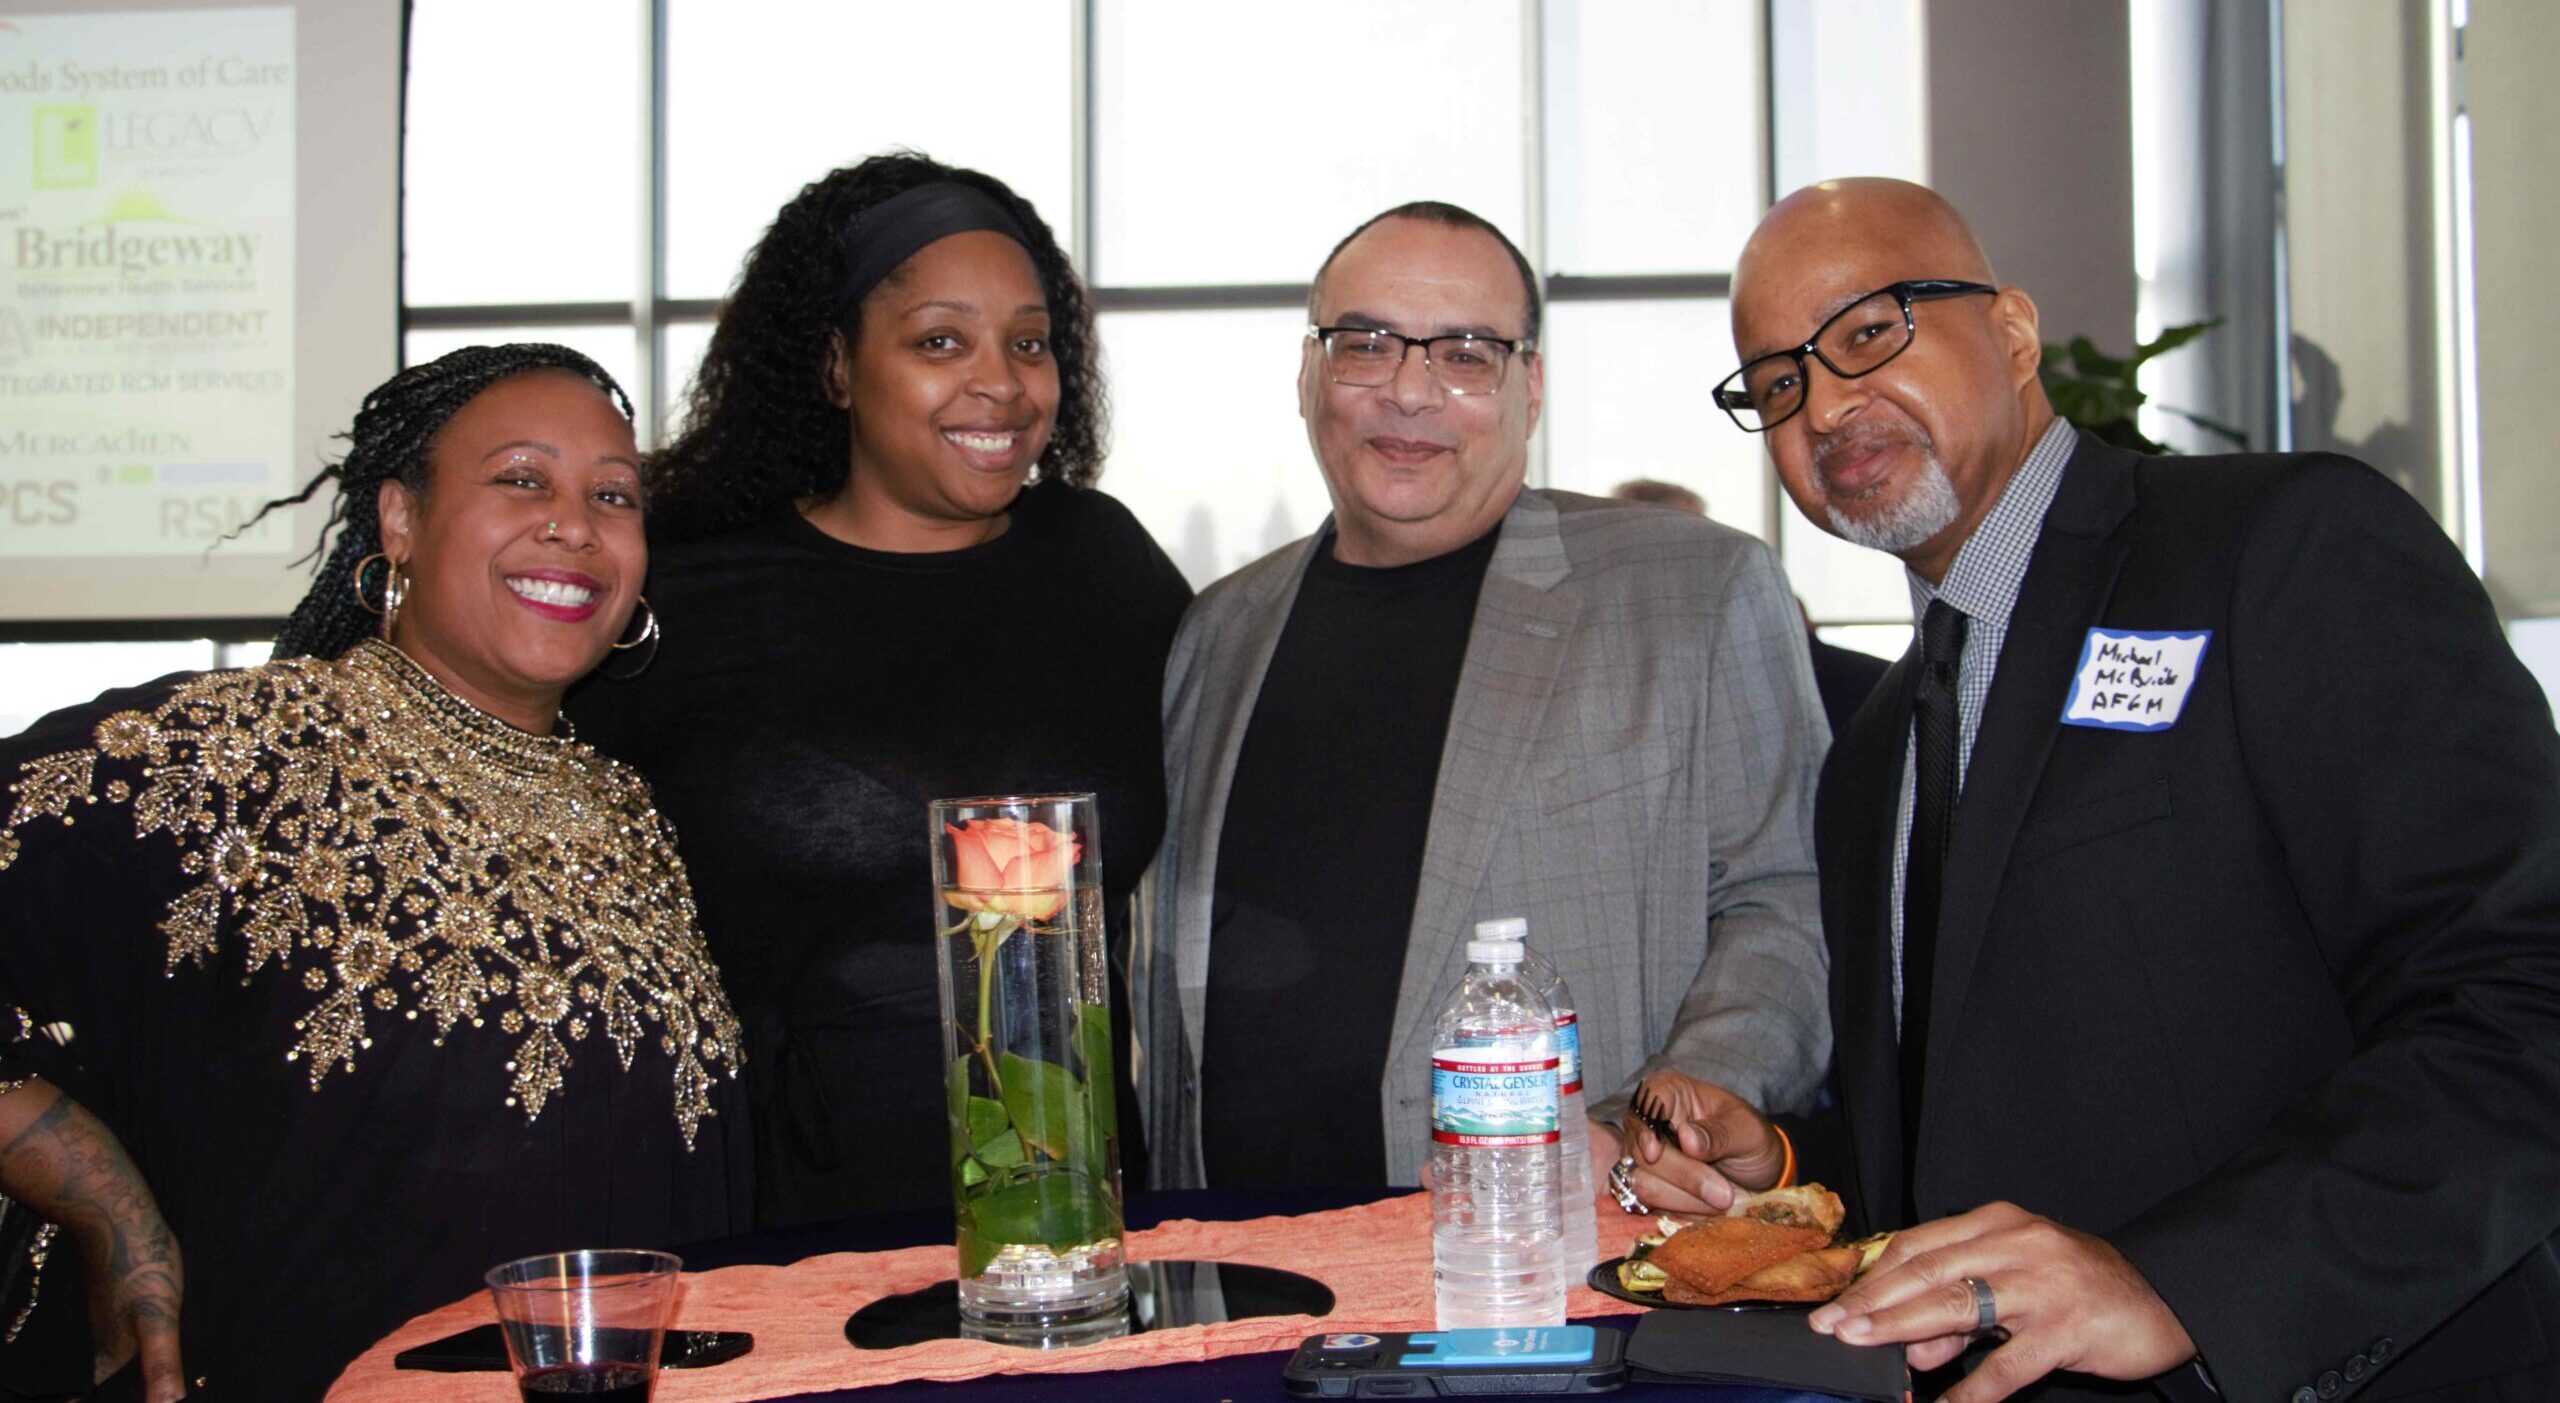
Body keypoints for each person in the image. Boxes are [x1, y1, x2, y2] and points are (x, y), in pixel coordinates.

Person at [1629, 177, 2560, 1402]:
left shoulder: (2278, 548)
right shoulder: (1870, 755)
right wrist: (1789, 1161)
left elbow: (2522, 992)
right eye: (1778, 382)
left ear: (2012, 331)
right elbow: (1976, 1113)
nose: (1826, 399)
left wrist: (2183, 1279)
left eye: (1868, 331)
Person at [0, 345, 748, 1402]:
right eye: (521, 479)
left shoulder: (632, 813)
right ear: (399, 519)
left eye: (612, 495)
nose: (573, 524)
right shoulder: (238, 756)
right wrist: (109, 1210)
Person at [1136, 201, 1831, 1198]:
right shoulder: (1216, 632)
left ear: (1529, 385)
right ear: (1307, 373)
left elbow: (1786, 895)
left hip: (1548, 1268)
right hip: (1237, 1271)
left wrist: (1670, 1119)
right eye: (1366, 344)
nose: (1410, 393)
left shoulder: (1691, 592)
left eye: (1465, 354)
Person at [568, 153, 1190, 1227]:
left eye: (1029, 342)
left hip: (1073, 1218)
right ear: (838, 366)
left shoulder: (1102, 564)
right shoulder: (688, 593)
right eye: (939, 340)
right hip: (782, 1216)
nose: (999, 381)